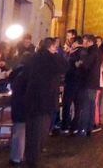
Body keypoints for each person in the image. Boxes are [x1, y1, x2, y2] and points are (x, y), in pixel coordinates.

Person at [22, 38, 68, 168]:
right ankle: (33, 159)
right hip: (45, 99)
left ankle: (29, 156)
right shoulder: (52, 58)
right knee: (41, 130)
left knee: (31, 130)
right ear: (52, 47)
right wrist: (57, 53)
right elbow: (65, 66)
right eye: (55, 47)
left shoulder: (33, 57)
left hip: (32, 98)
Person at [74, 35, 100, 135]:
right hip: (93, 83)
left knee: (86, 105)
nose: (83, 44)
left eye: (84, 42)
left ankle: (84, 128)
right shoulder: (96, 51)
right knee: (91, 105)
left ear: (89, 42)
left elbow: (86, 64)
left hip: (88, 82)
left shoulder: (91, 51)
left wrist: (80, 63)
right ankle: (89, 127)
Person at [7, 65, 28, 167]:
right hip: (23, 107)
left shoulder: (17, 74)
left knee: (17, 131)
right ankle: (17, 158)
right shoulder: (27, 76)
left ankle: (14, 156)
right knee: (21, 133)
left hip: (16, 106)